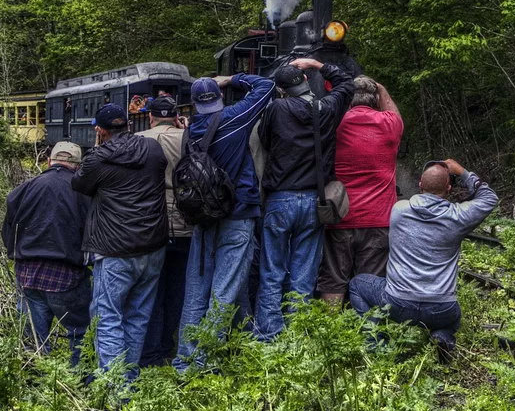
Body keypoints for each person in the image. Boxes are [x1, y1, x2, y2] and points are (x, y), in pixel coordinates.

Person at [172, 72, 275, 371]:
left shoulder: (191, 130)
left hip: (202, 217)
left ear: (193, 104)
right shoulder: (233, 117)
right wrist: (230, 79)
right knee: (224, 290)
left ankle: (185, 359)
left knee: (196, 289)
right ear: (218, 98)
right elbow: (266, 85)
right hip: (237, 214)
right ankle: (206, 358)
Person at [348, 159, 498, 361]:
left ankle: (377, 345)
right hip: (441, 309)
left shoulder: (399, 210)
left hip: (397, 304)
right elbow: (489, 198)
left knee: (357, 285)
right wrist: (462, 172)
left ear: (420, 184)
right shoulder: (459, 217)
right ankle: (442, 335)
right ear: (449, 188)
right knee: (451, 321)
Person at [254, 58, 354, 340]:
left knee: (272, 270)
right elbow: (347, 83)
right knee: (304, 273)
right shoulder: (327, 108)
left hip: (280, 198)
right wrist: (318, 63)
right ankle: (296, 335)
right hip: (314, 199)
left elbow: (264, 140)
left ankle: (268, 335)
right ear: (306, 82)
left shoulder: (275, 108)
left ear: (282, 89)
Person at [71, 103, 168, 376]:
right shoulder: (153, 149)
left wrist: (96, 148)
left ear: (100, 130)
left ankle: (116, 387)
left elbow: (79, 184)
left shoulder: (97, 159)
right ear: (127, 124)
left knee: (108, 317)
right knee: (138, 315)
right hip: (152, 244)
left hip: (114, 247)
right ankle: (130, 377)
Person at [2, 141, 91, 365]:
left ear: (49, 161)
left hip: (27, 273)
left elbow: (8, 231)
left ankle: (35, 382)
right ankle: (78, 379)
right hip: (66, 275)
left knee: (33, 337)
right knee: (80, 331)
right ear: (78, 166)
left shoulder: (25, 188)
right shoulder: (84, 191)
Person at [317, 76, 404, 303]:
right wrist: (381, 88)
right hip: (378, 219)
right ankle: (367, 330)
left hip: (340, 215)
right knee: (370, 281)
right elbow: (395, 113)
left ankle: (331, 329)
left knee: (333, 277)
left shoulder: (335, 123)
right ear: (375, 98)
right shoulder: (389, 124)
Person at [138, 96, 192, 366]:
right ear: (175, 116)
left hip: (149, 222)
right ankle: (172, 344)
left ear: (150, 116)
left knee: (151, 290)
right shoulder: (186, 138)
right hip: (184, 221)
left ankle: (151, 351)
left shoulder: (137, 139)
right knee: (178, 289)